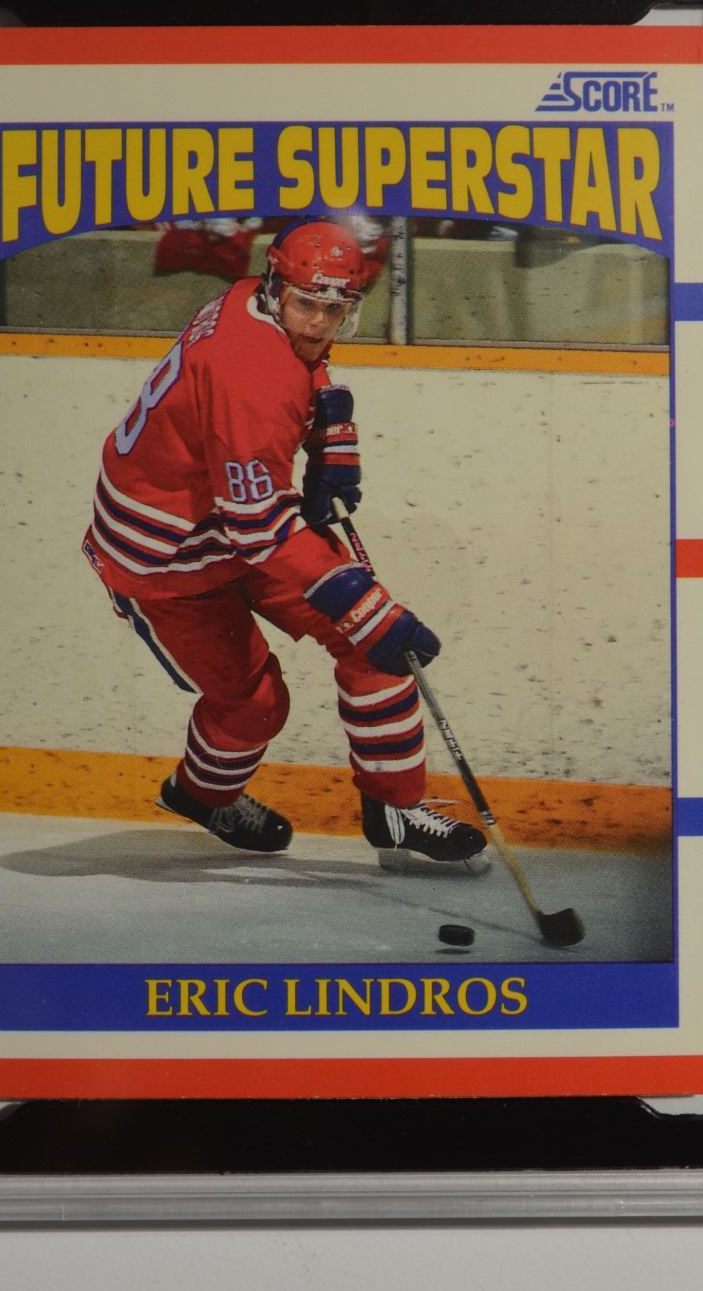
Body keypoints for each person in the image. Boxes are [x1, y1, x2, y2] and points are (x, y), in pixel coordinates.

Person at [82, 218, 486, 865]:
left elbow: (305, 369)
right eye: (308, 305)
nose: (320, 324)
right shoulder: (250, 372)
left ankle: (395, 808)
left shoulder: (253, 297)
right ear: (277, 288)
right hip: (163, 554)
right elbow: (261, 527)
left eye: (336, 309)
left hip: (229, 517)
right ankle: (201, 794)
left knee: (374, 648)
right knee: (258, 703)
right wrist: (363, 606)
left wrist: (331, 427)